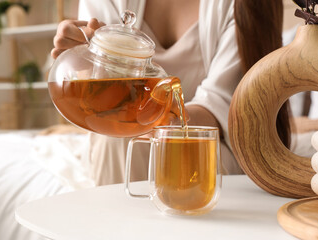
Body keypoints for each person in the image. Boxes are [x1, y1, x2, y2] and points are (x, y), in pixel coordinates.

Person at [51, 0, 290, 185]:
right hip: (121, 137)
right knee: (117, 138)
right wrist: (88, 63)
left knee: (128, 137)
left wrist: (157, 119)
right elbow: (106, 107)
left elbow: (226, 105)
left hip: (209, 141)